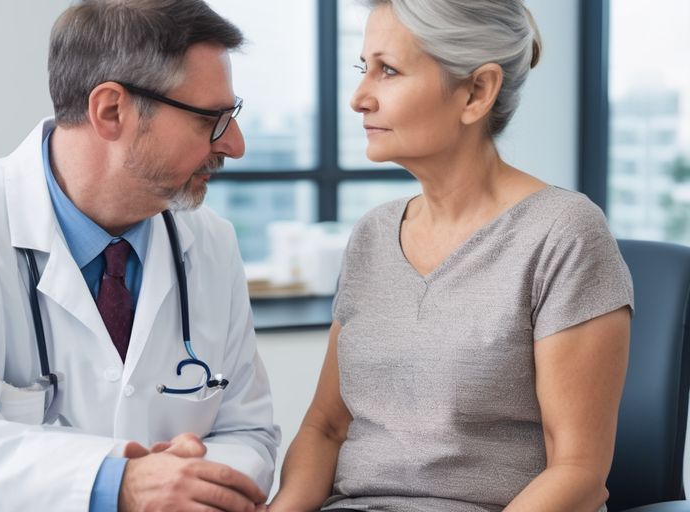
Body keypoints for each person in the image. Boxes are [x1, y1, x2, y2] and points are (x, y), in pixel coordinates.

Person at [0, 1, 280, 511]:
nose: (236, 145)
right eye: (210, 121)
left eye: (232, 116)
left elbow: (249, 432)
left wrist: (191, 480)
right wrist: (121, 484)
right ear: (111, 110)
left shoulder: (211, 244)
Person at [269, 1, 633, 511]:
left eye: (388, 70)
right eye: (362, 69)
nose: (358, 98)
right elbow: (325, 428)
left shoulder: (562, 233)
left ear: (476, 92)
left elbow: (579, 472)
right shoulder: (374, 234)